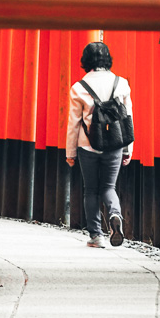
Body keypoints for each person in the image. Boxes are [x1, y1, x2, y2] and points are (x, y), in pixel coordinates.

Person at [65, 42, 133, 248]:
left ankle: (96, 236)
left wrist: (70, 153)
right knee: (109, 187)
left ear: (86, 61)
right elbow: (127, 118)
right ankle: (115, 215)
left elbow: (73, 124)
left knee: (91, 190)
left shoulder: (79, 88)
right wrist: (127, 149)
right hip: (114, 145)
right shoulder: (121, 84)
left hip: (88, 146)